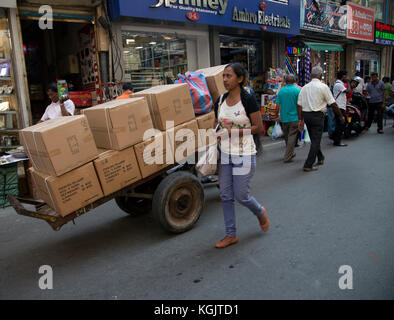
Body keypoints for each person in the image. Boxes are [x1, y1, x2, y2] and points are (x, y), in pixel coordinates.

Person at [213, 63, 268, 249]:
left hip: (244, 154)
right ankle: (231, 234)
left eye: (229, 76)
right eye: (224, 76)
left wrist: (233, 133)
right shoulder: (220, 100)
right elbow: (217, 125)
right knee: (225, 195)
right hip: (225, 155)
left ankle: (259, 211)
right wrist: (216, 135)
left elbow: (259, 128)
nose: (225, 80)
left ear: (240, 79)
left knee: (241, 195)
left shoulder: (248, 99)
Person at [298, 66, 345, 172]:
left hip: (307, 115)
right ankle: (308, 164)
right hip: (317, 115)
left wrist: (300, 120)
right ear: (320, 76)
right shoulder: (323, 87)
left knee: (314, 138)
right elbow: (332, 103)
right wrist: (340, 116)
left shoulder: (304, 87)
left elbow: (299, 105)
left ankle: (320, 157)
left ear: (311, 76)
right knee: (316, 140)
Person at [275, 74, 302, 163]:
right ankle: (287, 156)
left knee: (287, 137)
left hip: (284, 118)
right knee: (291, 138)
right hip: (294, 117)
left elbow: (277, 105)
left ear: (285, 81)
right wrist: (300, 118)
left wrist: (276, 116)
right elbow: (299, 106)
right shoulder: (297, 91)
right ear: (294, 81)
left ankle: (290, 153)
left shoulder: (281, 92)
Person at [332, 70, 351, 147]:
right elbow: (348, 91)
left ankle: (335, 137)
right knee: (341, 122)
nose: (347, 77)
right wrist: (348, 82)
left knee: (341, 122)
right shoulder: (339, 84)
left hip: (341, 106)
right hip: (339, 106)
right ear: (343, 76)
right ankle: (337, 140)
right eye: (346, 76)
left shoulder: (340, 84)